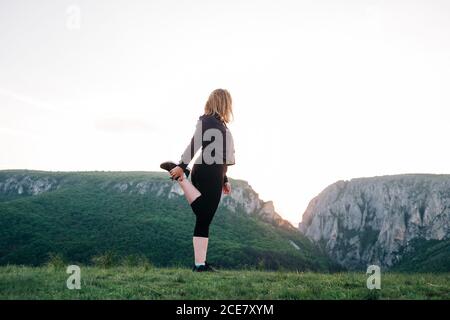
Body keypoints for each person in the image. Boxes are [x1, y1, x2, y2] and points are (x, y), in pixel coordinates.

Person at [160, 88, 235, 272]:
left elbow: (221, 155)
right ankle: (182, 177)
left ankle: (200, 264)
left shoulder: (220, 125)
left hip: (214, 171)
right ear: (225, 103)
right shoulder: (208, 120)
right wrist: (181, 163)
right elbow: (195, 142)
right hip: (208, 171)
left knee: (204, 219)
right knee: (204, 214)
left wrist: (225, 178)